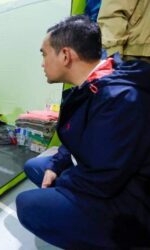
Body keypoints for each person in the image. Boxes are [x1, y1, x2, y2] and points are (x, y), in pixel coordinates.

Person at [16, 15, 150, 249]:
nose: (42, 63)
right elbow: (75, 136)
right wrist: (56, 166)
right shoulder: (92, 84)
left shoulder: (120, 99)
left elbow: (103, 178)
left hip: (131, 200)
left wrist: (62, 182)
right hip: (100, 169)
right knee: (36, 166)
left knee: (28, 204)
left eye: (44, 54)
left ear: (66, 55)